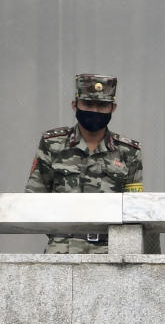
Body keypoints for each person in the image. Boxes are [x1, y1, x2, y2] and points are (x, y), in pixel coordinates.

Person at [26, 73, 143, 254]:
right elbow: (33, 198)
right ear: (75, 105)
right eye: (88, 104)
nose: (95, 111)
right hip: (62, 248)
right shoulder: (53, 144)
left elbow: (135, 209)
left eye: (102, 105)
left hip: (111, 251)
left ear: (113, 108)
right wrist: (59, 234)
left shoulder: (128, 151)